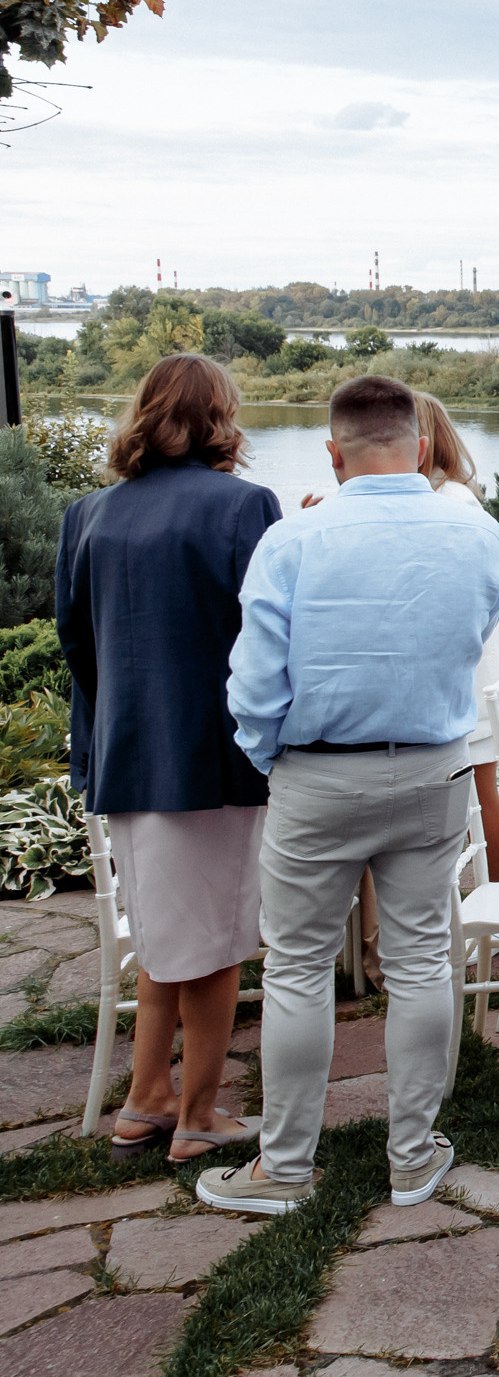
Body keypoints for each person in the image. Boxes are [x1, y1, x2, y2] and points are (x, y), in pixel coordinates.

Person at [199, 376, 499, 1216]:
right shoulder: (474, 531)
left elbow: (253, 681)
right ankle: (411, 1156)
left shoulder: (295, 538)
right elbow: (475, 633)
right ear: (416, 444)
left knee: (296, 967)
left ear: (333, 453)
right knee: (418, 961)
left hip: (319, 771)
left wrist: (276, 759)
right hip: (435, 765)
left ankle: (285, 1167)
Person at [56, 354, 281, 1163]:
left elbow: (76, 642)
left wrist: (121, 715)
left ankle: (144, 1099)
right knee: (218, 939)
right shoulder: (245, 506)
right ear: (220, 414)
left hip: (126, 751)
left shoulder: (87, 513)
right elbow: (268, 637)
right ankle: (198, 1114)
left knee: (166, 937)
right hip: (213, 755)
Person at [413, 392, 499, 881]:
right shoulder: (456, 495)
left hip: (472, 680)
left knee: (482, 793)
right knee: (484, 791)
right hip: (485, 671)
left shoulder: (446, 504)